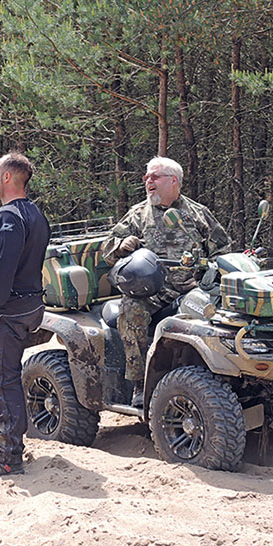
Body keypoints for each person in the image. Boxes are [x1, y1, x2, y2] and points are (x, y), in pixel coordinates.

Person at [101, 156, 230, 407]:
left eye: (154, 176)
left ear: (174, 181)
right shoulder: (138, 215)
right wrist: (121, 245)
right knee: (130, 311)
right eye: (146, 177)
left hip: (195, 287)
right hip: (152, 291)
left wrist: (214, 273)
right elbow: (107, 248)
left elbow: (223, 250)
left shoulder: (198, 214)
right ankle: (138, 383)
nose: (148, 181)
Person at [0, 152, 51, 478]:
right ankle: (8, 439)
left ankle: (8, 457)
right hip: (30, 306)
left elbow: (3, 269)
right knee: (10, 377)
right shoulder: (35, 214)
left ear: (6, 178)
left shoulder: (8, 217)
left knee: (1, 382)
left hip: (10, 311)